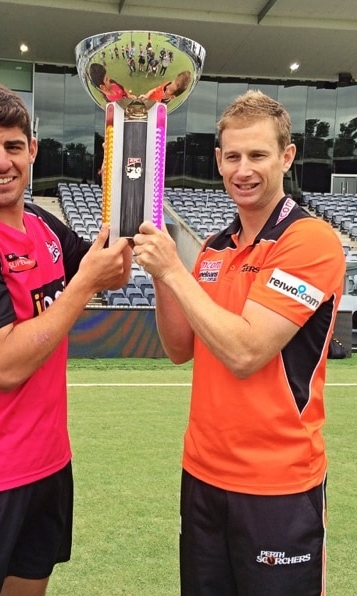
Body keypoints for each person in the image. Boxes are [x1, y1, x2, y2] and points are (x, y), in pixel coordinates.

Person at [0, 83, 132, 596]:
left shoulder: (43, 225)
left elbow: (114, 271)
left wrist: (127, 193)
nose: (1, 162)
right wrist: (82, 285)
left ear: (32, 149)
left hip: (48, 467)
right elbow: (5, 366)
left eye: (13, 147)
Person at [133, 90, 346, 595]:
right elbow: (179, 347)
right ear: (218, 160)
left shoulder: (309, 240)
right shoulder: (213, 249)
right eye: (232, 156)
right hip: (203, 475)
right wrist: (163, 276)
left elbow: (247, 352)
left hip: (277, 485)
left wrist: (172, 271)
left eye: (258, 155)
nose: (243, 170)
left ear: (286, 157)